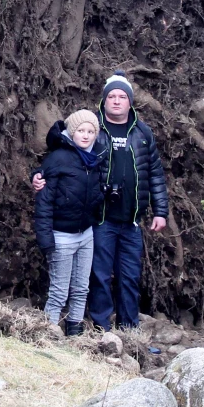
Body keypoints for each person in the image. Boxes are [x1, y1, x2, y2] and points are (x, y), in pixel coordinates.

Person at [34, 71, 168, 331]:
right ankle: (101, 329)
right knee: (99, 276)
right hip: (101, 217)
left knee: (130, 277)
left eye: (122, 97)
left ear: (130, 101)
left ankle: (130, 329)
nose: (116, 101)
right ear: (104, 101)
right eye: (111, 96)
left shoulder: (143, 133)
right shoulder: (93, 129)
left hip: (131, 220)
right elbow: (64, 156)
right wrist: (37, 176)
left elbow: (155, 174)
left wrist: (160, 211)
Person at [33, 109, 104, 336]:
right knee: (59, 291)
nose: (85, 135)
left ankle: (75, 332)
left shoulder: (97, 158)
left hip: (86, 234)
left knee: (81, 288)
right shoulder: (58, 158)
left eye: (91, 131)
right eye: (81, 131)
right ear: (71, 133)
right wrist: (46, 240)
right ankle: (48, 333)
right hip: (61, 236)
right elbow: (43, 203)